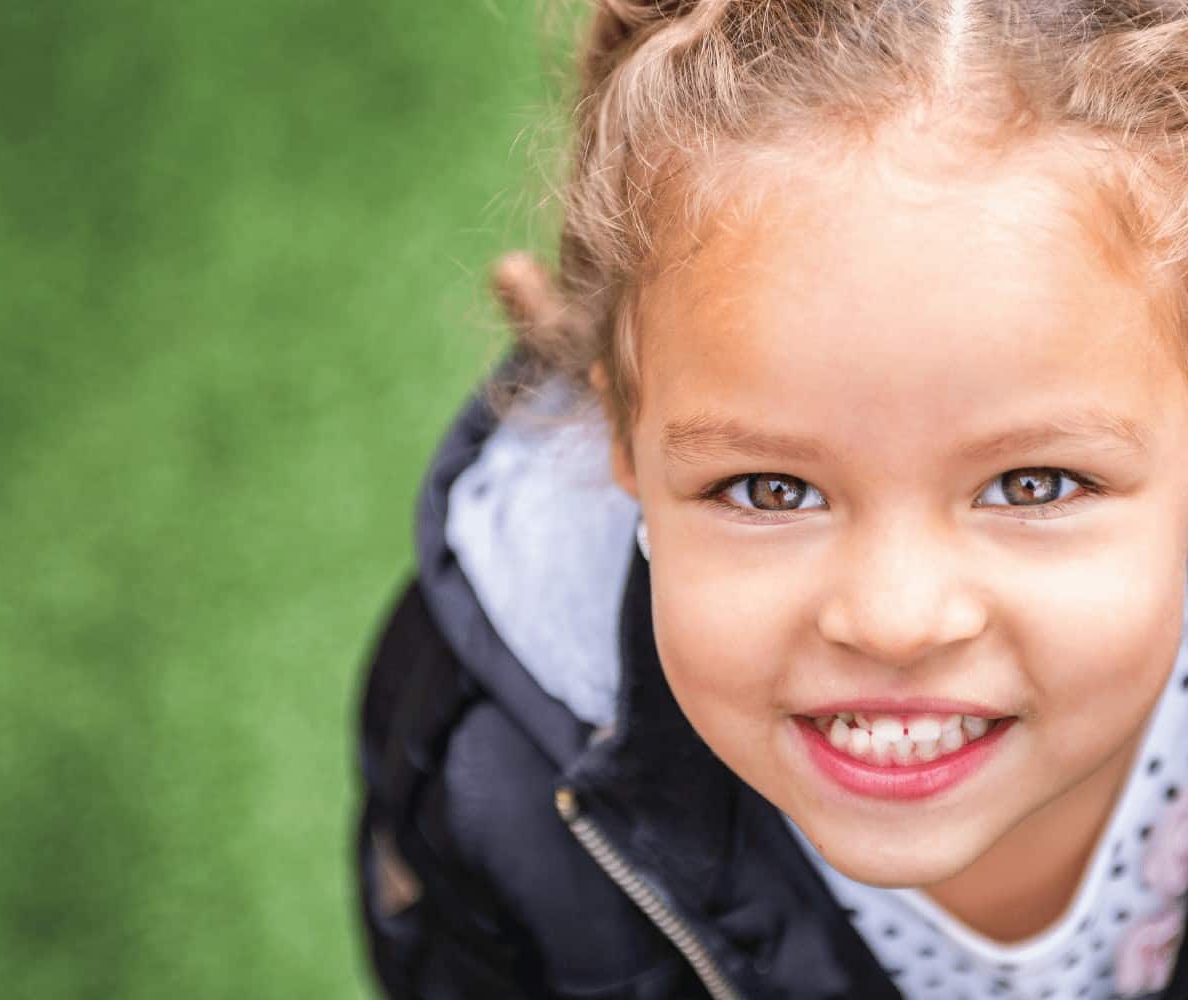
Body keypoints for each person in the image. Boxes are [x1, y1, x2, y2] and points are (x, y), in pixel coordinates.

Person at [351, 2, 1188, 998]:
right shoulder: (486, 775)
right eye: (770, 488)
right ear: (623, 436)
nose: (892, 621)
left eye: (1031, 484)